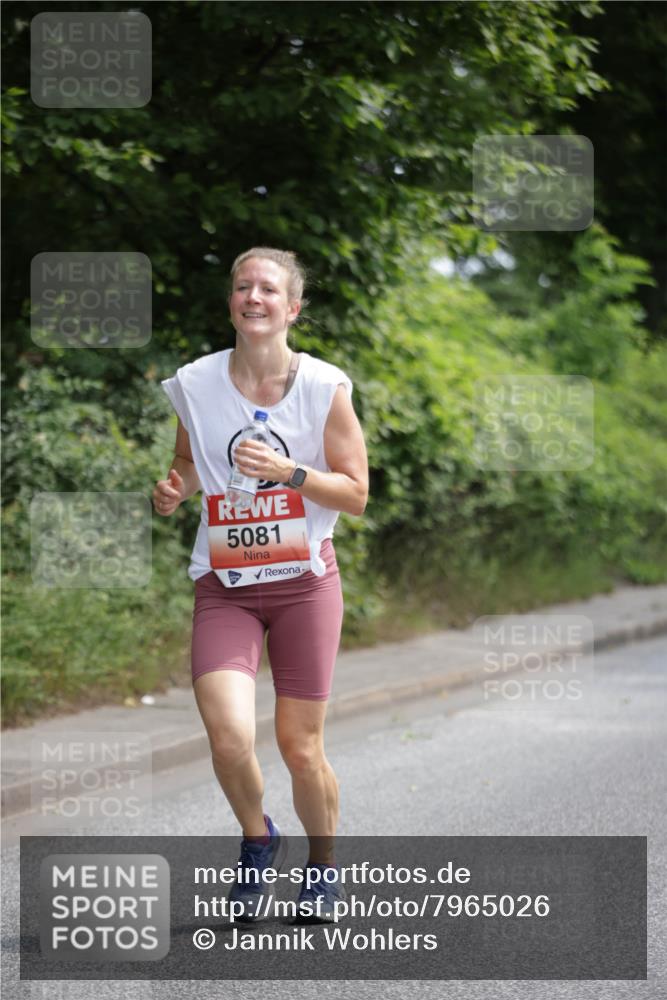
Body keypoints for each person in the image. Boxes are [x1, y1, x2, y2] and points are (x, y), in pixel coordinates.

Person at [154, 247, 368, 921]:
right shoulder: (195, 382)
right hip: (225, 582)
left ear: (292, 307)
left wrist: (288, 473)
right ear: (231, 303)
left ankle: (323, 868)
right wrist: (174, 488)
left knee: (300, 748)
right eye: (242, 286)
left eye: (268, 289)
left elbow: (357, 493)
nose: (253, 296)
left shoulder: (323, 387)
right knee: (227, 738)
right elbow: (187, 461)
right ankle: (257, 839)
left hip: (305, 582)